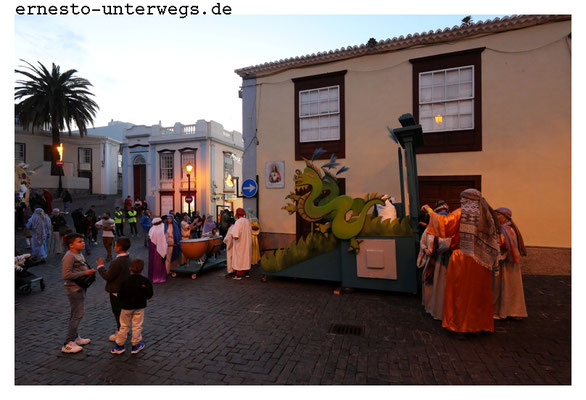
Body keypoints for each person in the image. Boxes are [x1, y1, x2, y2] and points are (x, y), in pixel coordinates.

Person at [421, 189, 500, 333]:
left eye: (461, 199)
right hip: (482, 260)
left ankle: (460, 326)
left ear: (465, 199)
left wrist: (429, 210)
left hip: (463, 258)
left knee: (461, 294)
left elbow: (444, 224)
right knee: (479, 294)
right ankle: (480, 326)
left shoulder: (461, 212)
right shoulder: (485, 213)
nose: (460, 201)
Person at [61, 233, 96, 353]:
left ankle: (75, 338)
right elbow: (66, 275)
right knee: (78, 314)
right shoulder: (69, 256)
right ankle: (68, 343)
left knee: (75, 313)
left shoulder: (78, 253)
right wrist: (85, 273)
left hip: (80, 286)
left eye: (83, 241)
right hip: (73, 288)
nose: (83, 243)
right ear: (71, 245)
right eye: (79, 241)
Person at [417, 200, 451, 320]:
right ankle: (431, 306)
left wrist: (440, 250)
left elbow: (450, 244)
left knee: (443, 287)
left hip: (444, 263)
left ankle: (442, 310)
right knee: (431, 285)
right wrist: (426, 250)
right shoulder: (429, 230)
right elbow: (422, 242)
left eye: (445, 213)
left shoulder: (450, 230)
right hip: (431, 262)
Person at [111, 258, 153, 355]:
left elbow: (120, 294)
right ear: (142, 269)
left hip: (126, 307)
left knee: (124, 326)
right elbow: (149, 294)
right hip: (139, 306)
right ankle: (135, 345)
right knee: (137, 326)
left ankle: (119, 346)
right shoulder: (145, 281)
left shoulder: (125, 281)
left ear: (130, 268)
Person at [493, 207, 528, 319]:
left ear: (504, 216)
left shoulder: (507, 229)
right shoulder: (504, 228)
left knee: (508, 287)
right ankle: (504, 310)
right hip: (505, 262)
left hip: (507, 262)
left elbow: (507, 247)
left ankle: (510, 310)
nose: (496, 218)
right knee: (503, 287)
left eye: (498, 215)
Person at [96, 237, 132, 343]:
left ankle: (121, 332)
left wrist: (100, 267)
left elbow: (108, 276)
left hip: (116, 290)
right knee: (122, 312)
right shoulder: (128, 258)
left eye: (115, 245)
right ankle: (123, 330)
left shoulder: (117, 262)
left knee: (117, 312)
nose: (114, 247)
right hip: (125, 289)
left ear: (119, 247)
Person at [227, 208, 252, 280]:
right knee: (246, 257)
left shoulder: (238, 222)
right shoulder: (247, 221)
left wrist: (234, 237)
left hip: (240, 243)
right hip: (247, 243)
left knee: (240, 258)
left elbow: (235, 235)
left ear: (237, 214)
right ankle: (247, 273)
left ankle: (238, 275)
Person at [147, 218, 167, 283]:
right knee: (159, 263)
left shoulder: (152, 229)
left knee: (153, 262)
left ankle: (152, 277)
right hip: (159, 249)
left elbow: (150, 238)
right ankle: (159, 277)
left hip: (153, 249)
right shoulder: (163, 228)